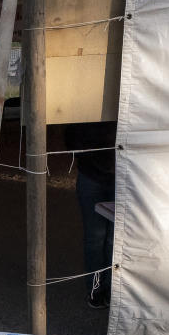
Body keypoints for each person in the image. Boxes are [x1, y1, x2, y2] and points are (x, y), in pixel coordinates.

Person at [63, 122, 116, 308]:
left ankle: (112, 290)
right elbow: (70, 134)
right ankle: (95, 290)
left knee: (114, 239)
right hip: (91, 176)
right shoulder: (85, 102)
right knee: (95, 238)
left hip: (120, 174)